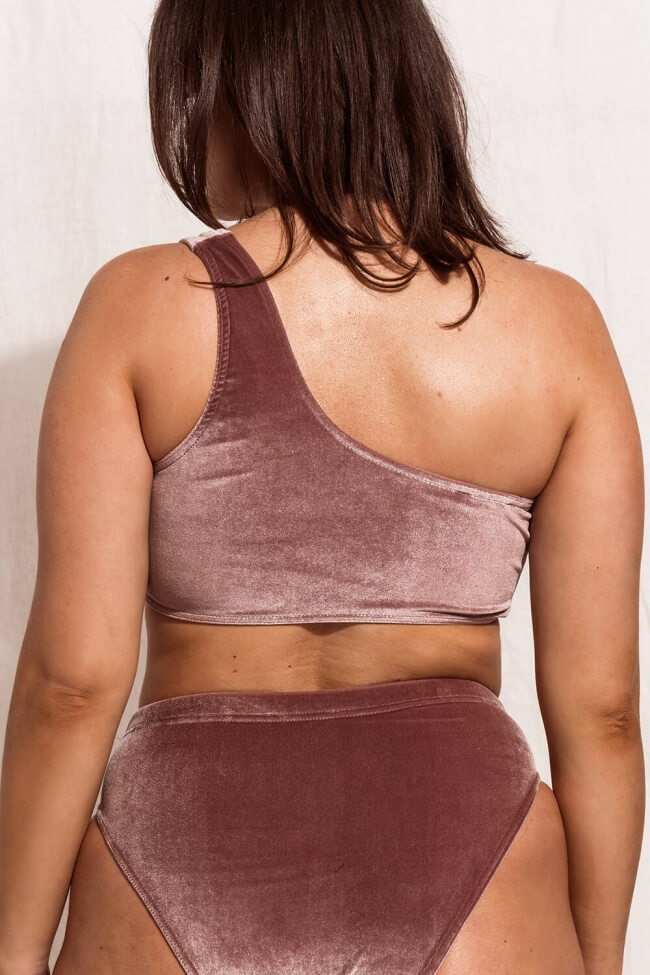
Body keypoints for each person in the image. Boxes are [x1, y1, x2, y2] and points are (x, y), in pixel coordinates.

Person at [0, 2, 644, 974]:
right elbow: (603, 714)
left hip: (182, 854)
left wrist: (13, 952)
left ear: (245, 84)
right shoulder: (555, 329)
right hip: (472, 857)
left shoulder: (143, 307)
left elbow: (70, 686)